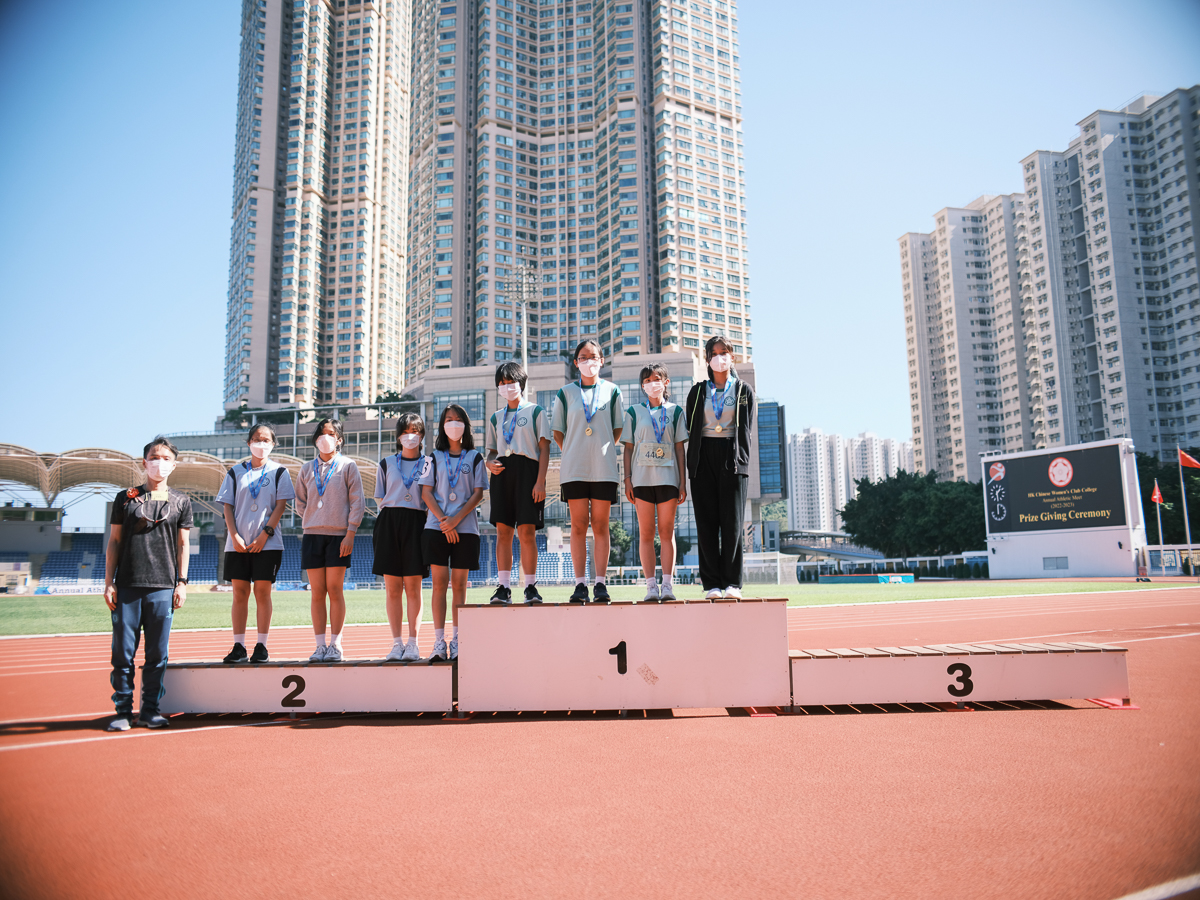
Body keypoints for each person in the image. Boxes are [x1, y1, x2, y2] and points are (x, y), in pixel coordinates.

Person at [102, 437, 193, 731]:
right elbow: (114, 541)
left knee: (157, 654)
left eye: (166, 459)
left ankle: (150, 710)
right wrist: (109, 582)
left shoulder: (181, 501)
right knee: (122, 653)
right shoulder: (125, 498)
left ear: (174, 465)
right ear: (144, 462)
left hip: (163, 586)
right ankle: (122, 711)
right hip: (127, 585)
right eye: (154, 457)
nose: (159, 463)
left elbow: (183, 545)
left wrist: (181, 583)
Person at [551, 339, 623, 602]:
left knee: (601, 525)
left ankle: (600, 584)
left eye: (593, 356)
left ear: (602, 361)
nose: (589, 361)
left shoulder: (612, 391)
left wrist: (599, 449)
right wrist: (574, 450)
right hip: (575, 469)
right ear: (576, 362)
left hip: (603, 468)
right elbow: (558, 431)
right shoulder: (566, 392)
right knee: (579, 525)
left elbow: (617, 429)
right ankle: (580, 584)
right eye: (583, 357)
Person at [217, 424, 295, 664]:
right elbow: (227, 506)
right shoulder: (235, 472)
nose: (261, 443)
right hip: (237, 544)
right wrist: (234, 536)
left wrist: (265, 535)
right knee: (239, 594)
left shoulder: (279, 472)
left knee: (263, 593)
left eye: (266, 440)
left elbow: (280, 506)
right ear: (249, 442)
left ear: (273, 444)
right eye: (256, 439)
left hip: (268, 544)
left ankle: (261, 645)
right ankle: (239, 646)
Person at [685, 335, 756, 599]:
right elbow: (691, 426)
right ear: (707, 360)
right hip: (703, 457)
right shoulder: (697, 391)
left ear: (732, 356)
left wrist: (741, 458)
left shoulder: (743, 390)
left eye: (723, 352)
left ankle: (732, 584)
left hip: (732, 456)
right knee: (706, 523)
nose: (719, 358)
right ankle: (711, 584)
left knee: (732, 523)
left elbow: (747, 427)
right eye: (713, 353)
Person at [295, 418, 364, 661]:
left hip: (339, 536)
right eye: (322, 433)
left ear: (339, 440)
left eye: (331, 433)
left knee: (335, 590)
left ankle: (336, 644)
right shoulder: (306, 469)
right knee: (317, 592)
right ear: (316, 439)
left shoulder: (348, 466)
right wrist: (314, 517)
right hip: (312, 535)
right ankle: (319, 646)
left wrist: (350, 532)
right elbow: (300, 502)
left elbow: (357, 502)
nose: (326, 437)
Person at [419, 404, 486, 660]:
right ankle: (439, 641)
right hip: (437, 527)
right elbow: (426, 493)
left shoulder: (475, 457)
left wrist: (456, 519)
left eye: (458, 419)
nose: (453, 423)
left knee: (459, 585)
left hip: (465, 528)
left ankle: (458, 639)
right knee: (438, 585)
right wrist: (444, 521)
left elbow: (478, 494)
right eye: (448, 419)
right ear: (442, 425)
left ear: (465, 425)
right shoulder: (432, 457)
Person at [484, 361, 551, 605]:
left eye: (510, 381)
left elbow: (544, 448)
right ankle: (503, 588)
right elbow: (492, 451)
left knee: (526, 532)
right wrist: (488, 462)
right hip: (502, 474)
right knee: (503, 532)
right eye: (501, 383)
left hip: (528, 472)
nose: (506, 386)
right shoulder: (496, 417)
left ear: (521, 383)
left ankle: (530, 587)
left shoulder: (535, 411)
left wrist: (540, 481)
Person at [622, 364, 688, 602]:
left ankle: (667, 585)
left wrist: (682, 483)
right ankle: (651, 586)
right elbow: (628, 448)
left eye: (656, 379)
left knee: (666, 532)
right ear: (642, 386)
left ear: (666, 382)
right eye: (647, 380)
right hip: (641, 481)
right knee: (646, 533)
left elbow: (679, 449)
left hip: (669, 480)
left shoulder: (676, 411)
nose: (652, 383)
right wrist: (627, 479)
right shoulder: (633, 412)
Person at [373, 412, 429, 662]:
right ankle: (397, 644)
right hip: (390, 522)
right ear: (398, 437)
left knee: (414, 588)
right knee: (393, 589)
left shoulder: (429, 463)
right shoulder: (386, 463)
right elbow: (379, 496)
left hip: (417, 522)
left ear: (422, 435)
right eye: (405, 432)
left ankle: (413, 643)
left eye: (415, 431)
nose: (410, 436)